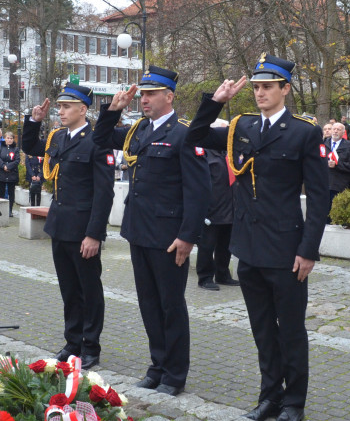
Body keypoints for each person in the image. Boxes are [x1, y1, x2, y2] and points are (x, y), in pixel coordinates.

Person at [186, 54, 329, 421]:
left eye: (268, 86)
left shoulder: (304, 131)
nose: (261, 92)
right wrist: (214, 101)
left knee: (291, 329)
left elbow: (318, 196)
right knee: (262, 327)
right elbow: (195, 135)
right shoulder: (242, 126)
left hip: (286, 248)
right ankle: (270, 395)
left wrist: (309, 249)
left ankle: (294, 401)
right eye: (257, 87)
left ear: (285, 88)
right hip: (248, 247)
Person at [94, 67, 210, 396]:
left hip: (170, 236)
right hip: (140, 230)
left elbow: (199, 191)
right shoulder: (139, 131)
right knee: (148, 303)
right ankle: (157, 365)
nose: (144, 99)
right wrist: (113, 110)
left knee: (171, 305)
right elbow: (101, 139)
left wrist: (188, 236)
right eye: (142, 94)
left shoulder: (185, 133)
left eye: (151, 94)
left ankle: (174, 374)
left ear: (169, 96)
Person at [24, 84, 115, 369]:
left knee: (89, 289)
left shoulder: (97, 140)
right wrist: (33, 122)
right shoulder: (59, 137)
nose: (60, 111)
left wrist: (94, 234)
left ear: (83, 109)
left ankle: (91, 345)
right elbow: (31, 147)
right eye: (60, 106)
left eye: (66, 107)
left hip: (83, 230)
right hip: (60, 226)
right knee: (68, 289)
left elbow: (104, 192)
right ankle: (72, 341)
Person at [195, 119, 238, 291]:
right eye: (223, 131)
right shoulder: (204, 153)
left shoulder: (229, 153)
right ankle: (205, 277)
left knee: (226, 246)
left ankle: (223, 274)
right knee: (207, 246)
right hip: (211, 210)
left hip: (230, 209)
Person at [326, 122, 350, 210]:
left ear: (343, 133)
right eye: (334, 129)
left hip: (339, 185)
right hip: (324, 184)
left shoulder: (349, 146)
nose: (335, 131)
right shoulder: (323, 144)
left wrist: (337, 164)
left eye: (338, 130)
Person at [0, 131, 20, 217]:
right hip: (1, 172)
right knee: (1, 191)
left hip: (12, 173)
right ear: (5, 139)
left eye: (11, 138)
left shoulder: (16, 149)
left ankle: (10, 210)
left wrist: (8, 167)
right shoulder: (0, 147)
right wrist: (3, 166)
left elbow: (17, 160)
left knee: (11, 192)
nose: (9, 140)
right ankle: (1, 209)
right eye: (8, 138)